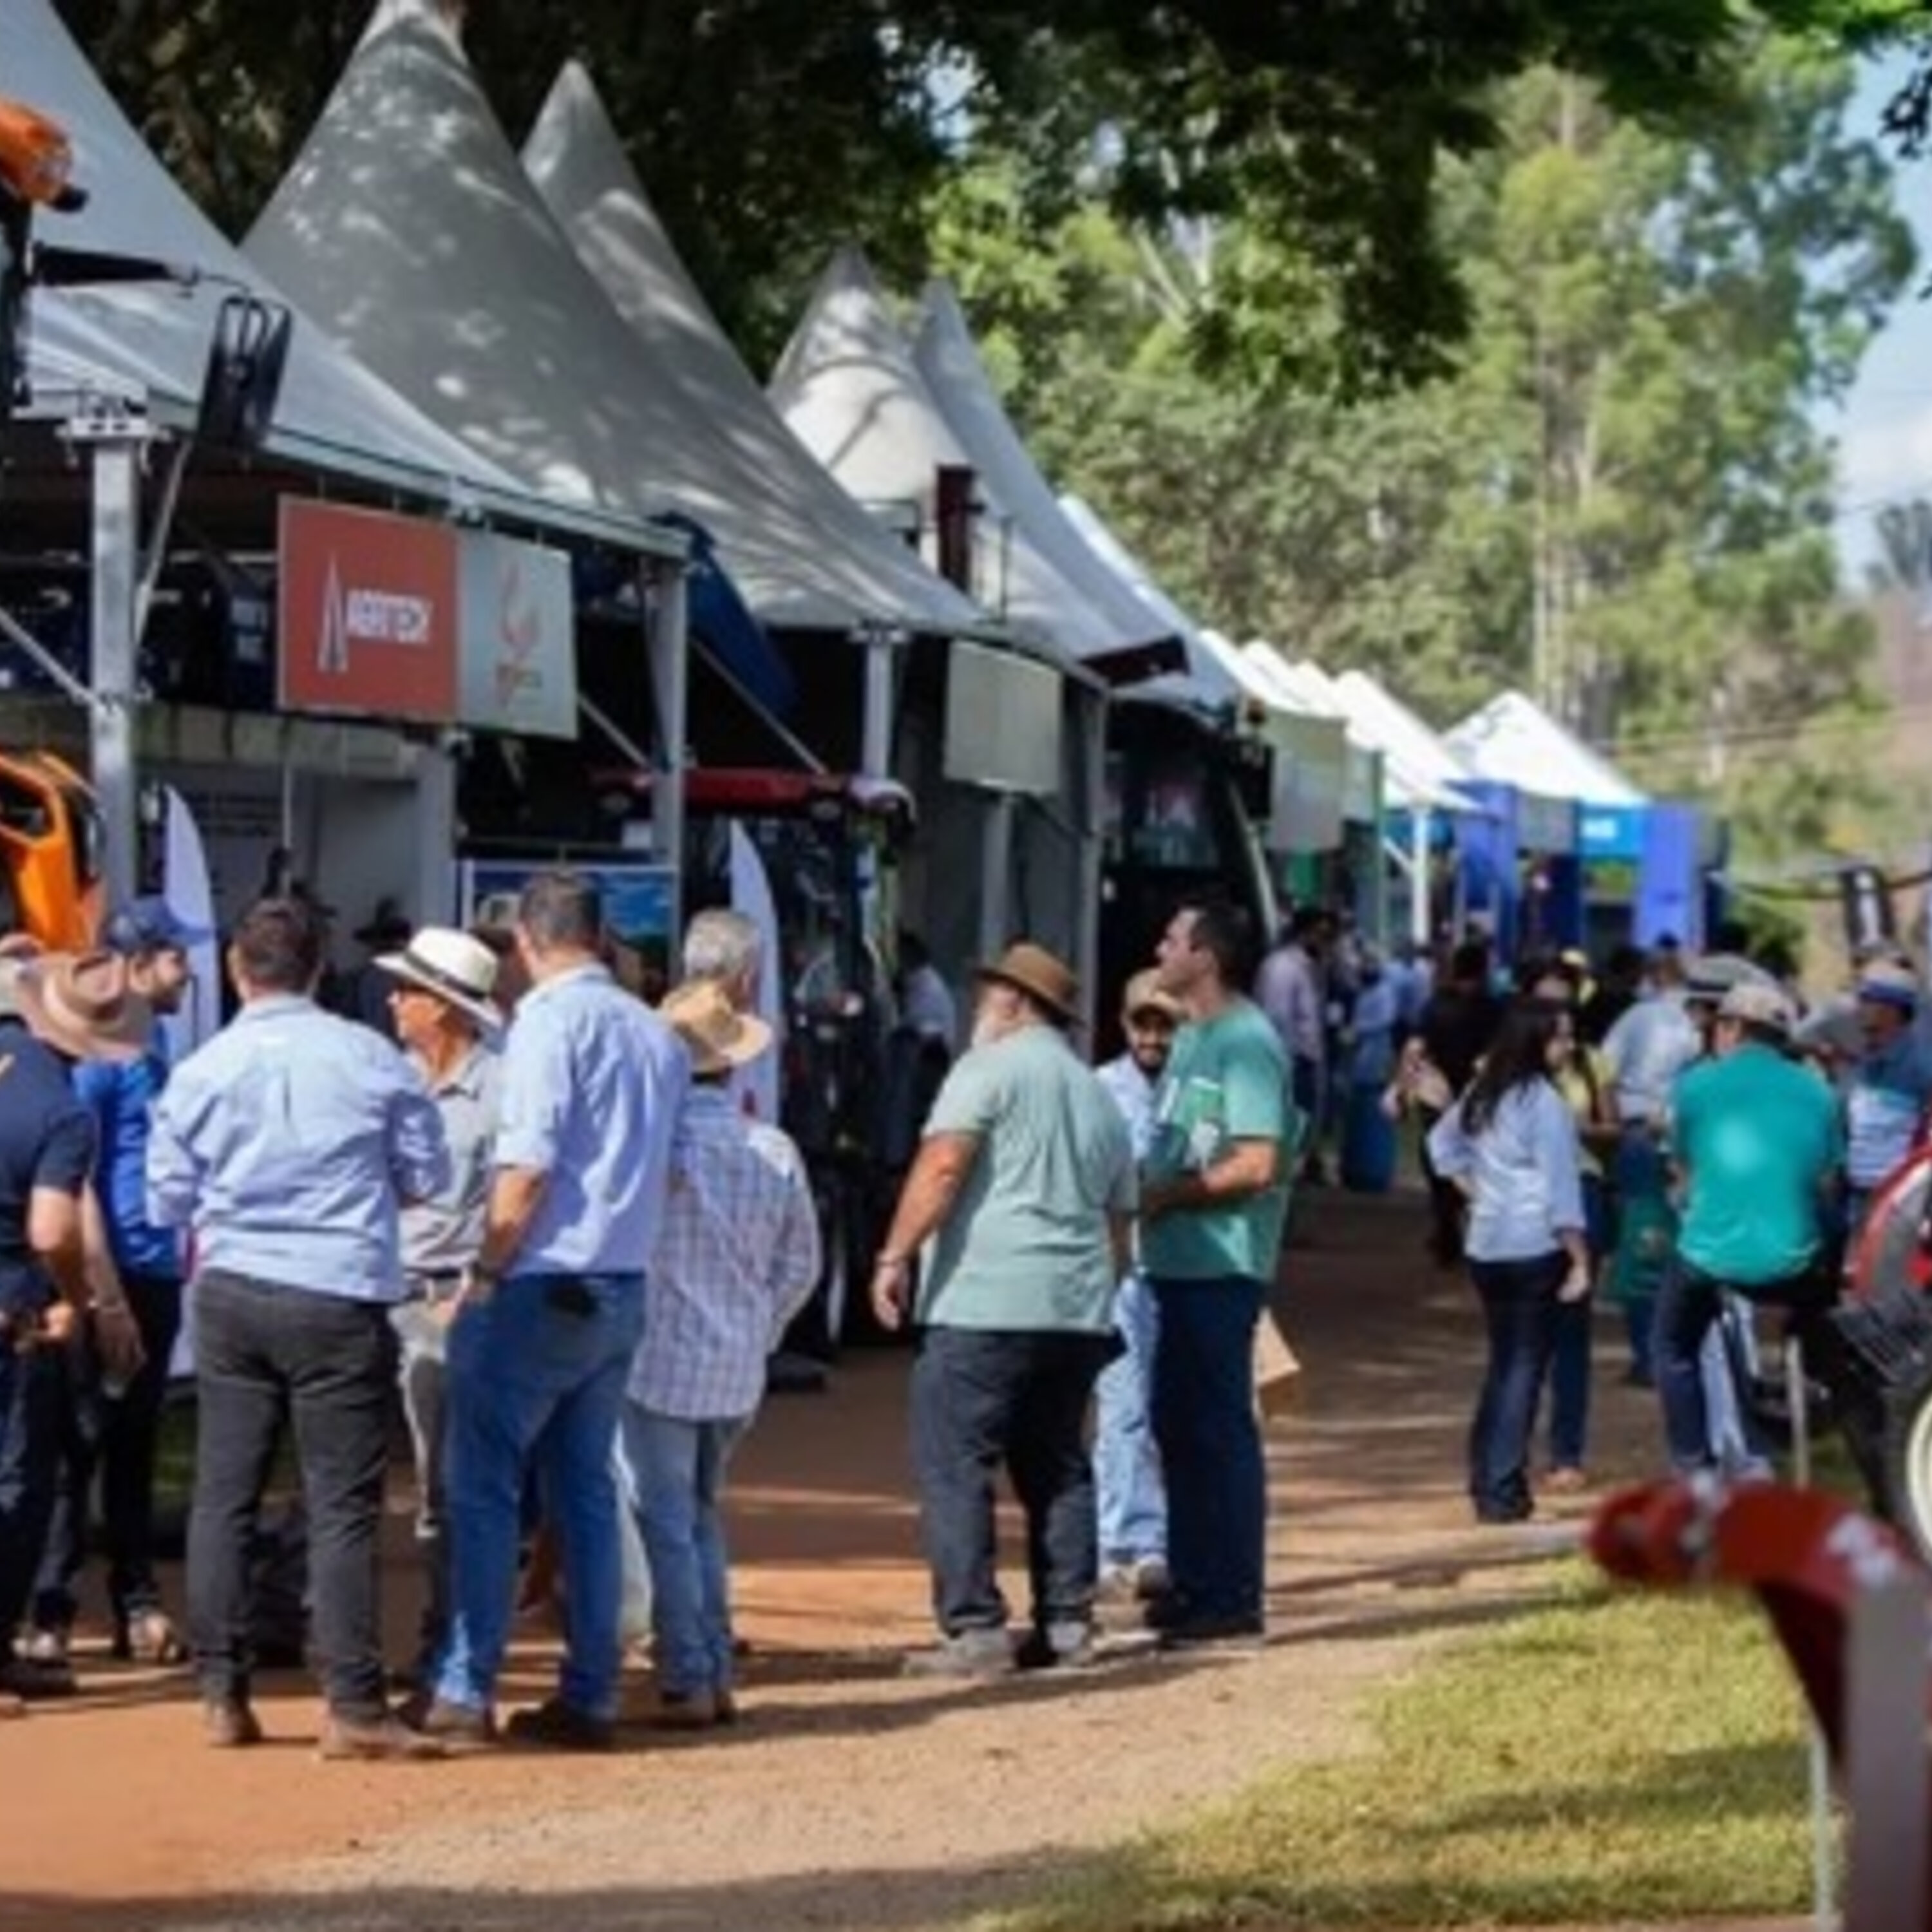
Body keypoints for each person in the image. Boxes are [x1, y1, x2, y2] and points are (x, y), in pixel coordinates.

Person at [146, 898, 451, 1757]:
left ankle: (221, 1693)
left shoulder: (201, 1069)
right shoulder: (373, 1059)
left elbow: (166, 1198)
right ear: (318, 969)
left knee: (224, 1492)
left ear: (237, 972)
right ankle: (352, 1703)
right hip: (336, 1290)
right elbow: (426, 1175)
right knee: (341, 1502)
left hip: (234, 1288)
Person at [421, 871, 687, 1752]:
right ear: (600, 937)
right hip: (621, 1279)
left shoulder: (545, 1024)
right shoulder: (656, 1033)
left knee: (485, 1487)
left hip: (543, 1280)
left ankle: (465, 1686)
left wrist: (486, 1271)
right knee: (586, 1490)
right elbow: (667, 1171)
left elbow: (526, 1167)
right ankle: (592, 1690)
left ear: (527, 943)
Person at [871, 942, 1134, 1677]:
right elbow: (1120, 1216)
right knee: (1058, 1463)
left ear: (1014, 1003)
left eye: (988, 995)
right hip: (1075, 1306)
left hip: (984, 1299)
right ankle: (1069, 1623)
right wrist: (1096, 1287)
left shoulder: (984, 1070)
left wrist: (894, 1255)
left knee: (956, 1461)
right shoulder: (1097, 1093)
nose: (979, 1008)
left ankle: (975, 1628)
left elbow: (943, 1165)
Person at [625, 981, 820, 1726]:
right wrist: (759, 1327)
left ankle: (688, 1672)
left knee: (667, 1519)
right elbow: (800, 1264)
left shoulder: (655, 1150)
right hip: (736, 1365)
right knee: (701, 1511)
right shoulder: (772, 1148)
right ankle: (710, 1662)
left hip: (658, 1358)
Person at [26, 900, 202, 1676]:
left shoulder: (155, 1042)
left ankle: (137, 1601)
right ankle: (53, 1611)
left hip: (156, 1270)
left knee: (135, 1440)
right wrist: (105, 1297)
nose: (188, 971)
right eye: (176, 957)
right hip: (107, 1274)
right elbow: (79, 1183)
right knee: (77, 1443)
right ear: (136, 963)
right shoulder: (93, 1059)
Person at [0, 952, 147, 1713]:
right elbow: (53, 1229)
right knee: (18, 1481)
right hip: (11, 1311)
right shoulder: (62, 1113)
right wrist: (75, 1298)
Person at [1141, 901, 1292, 1643]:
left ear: (1205, 957)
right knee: (1178, 1425)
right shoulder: (1194, 1037)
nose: (1159, 949)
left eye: (1172, 939)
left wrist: (1168, 1195)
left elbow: (1259, 1162)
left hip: (1222, 1265)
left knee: (1218, 1428)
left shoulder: (1246, 1043)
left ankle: (1231, 1594)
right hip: (1178, 1264)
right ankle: (1196, 1578)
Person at [377, 927, 503, 1687]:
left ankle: (445, 1647)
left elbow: (514, 1202)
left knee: (443, 1491)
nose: (394, 1002)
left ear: (446, 1007)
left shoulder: (501, 1093)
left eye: (409, 991)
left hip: (446, 1303)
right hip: (378, 1297)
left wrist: (474, 1293)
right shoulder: (387, 1079)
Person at [1652, 982, 1841, 1473]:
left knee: (1671, 1346)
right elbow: (1826, 1181)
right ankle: (1813, 1376)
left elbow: (1683, 1174)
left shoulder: (1696, 1086)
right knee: (1824, 1256)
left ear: (1733, 1028)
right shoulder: (1819, 1092)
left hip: (1710, 1260)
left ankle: (1694, 1466)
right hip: (1794, 1266)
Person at [1426, 999, 1591, 1524]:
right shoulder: (1545, 1103)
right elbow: (1562, 1189)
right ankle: (1501, 1490)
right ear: (1537, 1041)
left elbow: (1440, 1144)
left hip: (1487, 1246)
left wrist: (1479, 1195)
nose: (1568, 1047)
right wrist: (1579, 1258)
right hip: (1534, 1245)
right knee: (1523, 1369)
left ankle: (1489, 1481)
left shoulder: (1486, 1091)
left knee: (1504, 1365)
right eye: (1560, 1037)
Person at [1092, 969, 1182, 1602]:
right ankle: (1114, 1540)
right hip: (1117, 1270)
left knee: (1166, 1406)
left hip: (1181, 1266)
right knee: (1121, 1407)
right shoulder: (1099, 1090)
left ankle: (1154, 1540)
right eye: (1140, 1025)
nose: (1151, 1038)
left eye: (1163, 1026)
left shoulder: (1197, 1092)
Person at [1526, 968, 1618, 1494]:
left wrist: (1577, 1131)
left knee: (1570, 1330)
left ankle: (1567, 1451)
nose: (1555, 1027)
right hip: (1524, 1202)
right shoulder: (1501, 1070)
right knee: (1523, 1332)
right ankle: (1510, 1446)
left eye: (1562, 1015)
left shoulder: (1591, 1063)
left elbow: (1614, 1127)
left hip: (1581, 1193)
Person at [1414, 940, 1506, 1266]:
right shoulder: (1493, 1009)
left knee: (1440, 1165)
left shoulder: (1435, 1007)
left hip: (1437, 1098)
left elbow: (1418, 1049)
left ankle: (1446, 1229)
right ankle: (1476, 1234)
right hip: (1479, 1097)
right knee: (1477, 1167)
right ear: (1484, 971)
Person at [1842, 957, 1932, 1233]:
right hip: (1856, 1198)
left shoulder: (1920, 1067)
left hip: (1898, 1205)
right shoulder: (1864, 1061)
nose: (1859, 1009)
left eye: (1867, 1001)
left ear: (1891, 1010)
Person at [1255, 908, 1326, 1182]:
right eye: (1320, 934)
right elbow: (1278, 1017)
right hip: (1290, 1059)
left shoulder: (1304, 965)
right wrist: (1285, 1063)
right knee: (1288, 1127)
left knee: (1298, 1127)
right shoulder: (1283, 967)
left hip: (1301, 1058)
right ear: (1305, 933)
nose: (1324, 942)